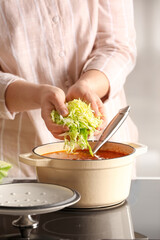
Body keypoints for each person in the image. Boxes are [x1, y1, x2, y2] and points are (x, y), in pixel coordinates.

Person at [0, 0, 138, 178]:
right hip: (20, 162)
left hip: (107, 152)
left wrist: (88, 86)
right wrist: (37, 95)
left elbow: (119, 47)